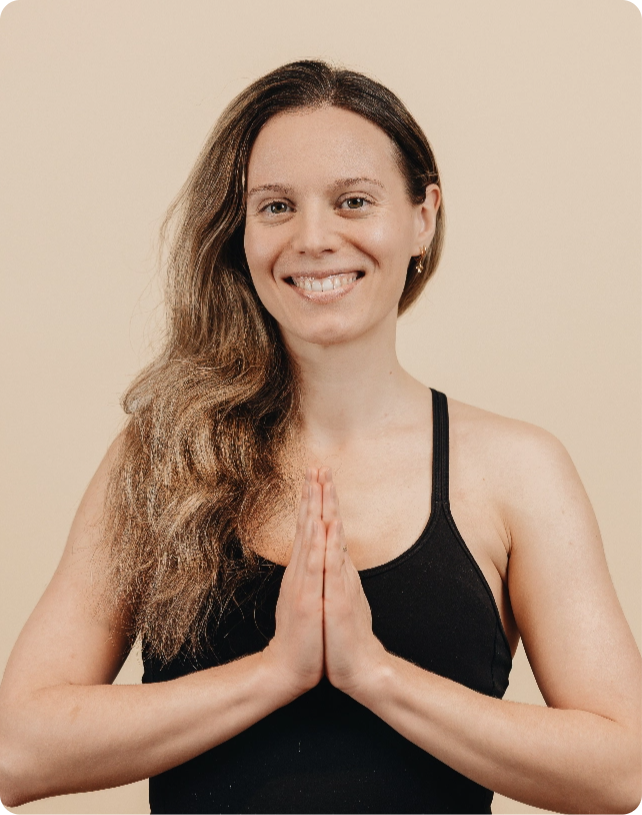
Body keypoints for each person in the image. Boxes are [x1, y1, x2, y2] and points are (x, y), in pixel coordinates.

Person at [0, 59, 641, 815]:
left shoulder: (518, 472)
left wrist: (375, 673)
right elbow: (19, 749)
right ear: (240, 231)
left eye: (353, 200)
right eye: (275, 207)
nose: (313, 238)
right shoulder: (165, 457)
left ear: (422, 217)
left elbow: (620, 770)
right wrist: (274, 671)